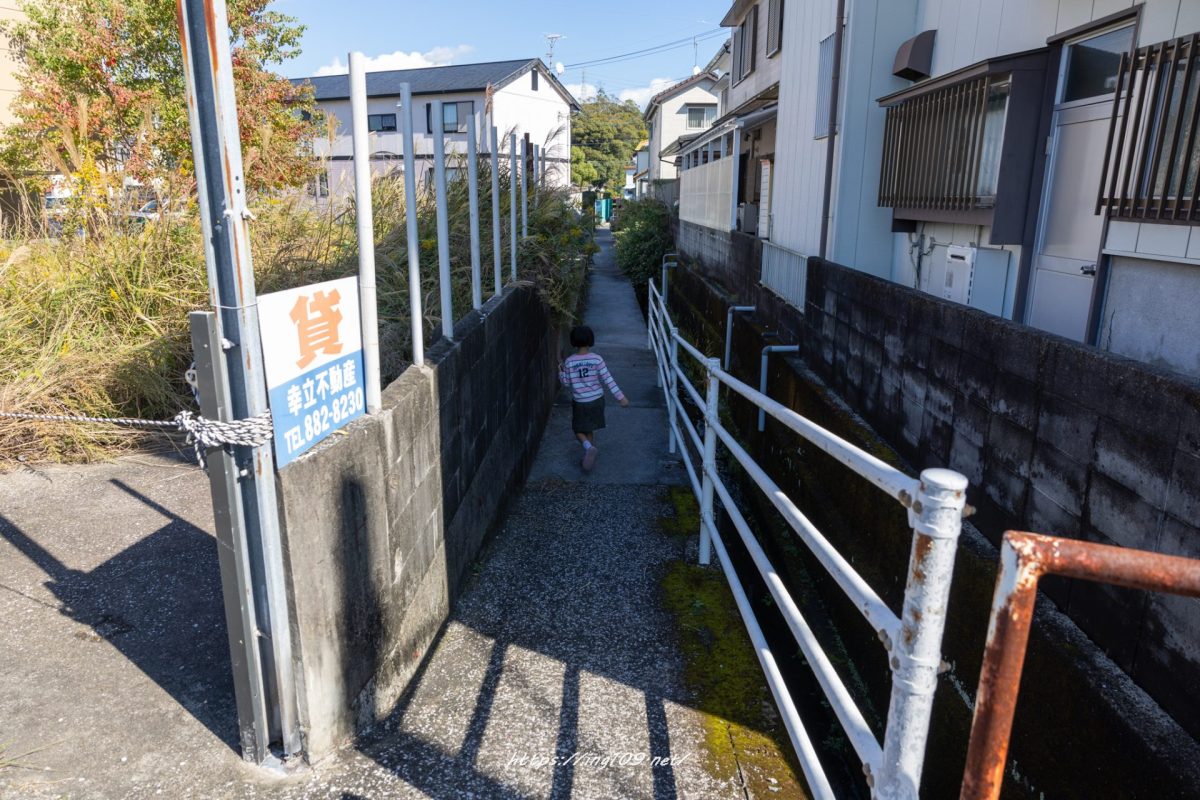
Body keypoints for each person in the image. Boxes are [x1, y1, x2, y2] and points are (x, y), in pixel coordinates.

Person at [558, 325, 628, 471]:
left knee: (578, 429)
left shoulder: (570, 362)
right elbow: (608, 380)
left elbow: (566, 383)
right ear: (590, 340)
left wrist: (561, 372)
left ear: (573, 341)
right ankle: (588, 454)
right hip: (597, 400)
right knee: (589, 428)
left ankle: (588, 447)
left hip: (580, 402)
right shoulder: (597, 359)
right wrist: (621, 397)